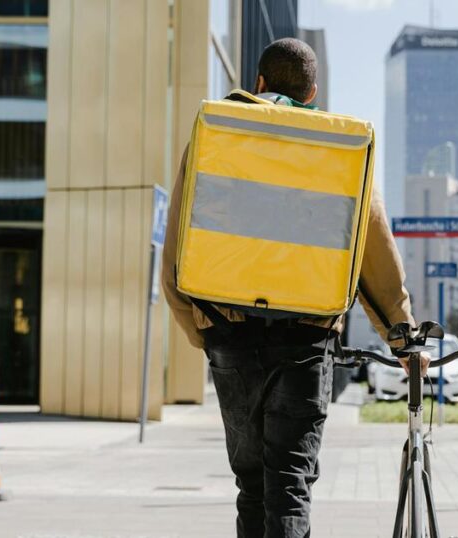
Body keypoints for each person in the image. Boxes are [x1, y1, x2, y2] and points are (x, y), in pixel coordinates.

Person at [162, 38, 425, 538]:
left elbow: (176, 245)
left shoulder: (217, 132)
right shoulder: (338, 147)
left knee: (252, 486)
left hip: (228, 333)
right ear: (313, 92)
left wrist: (201, 330)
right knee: (289, 483)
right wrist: (402, 336)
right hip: (305, 339)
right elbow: (373, 255)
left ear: (258, 84)